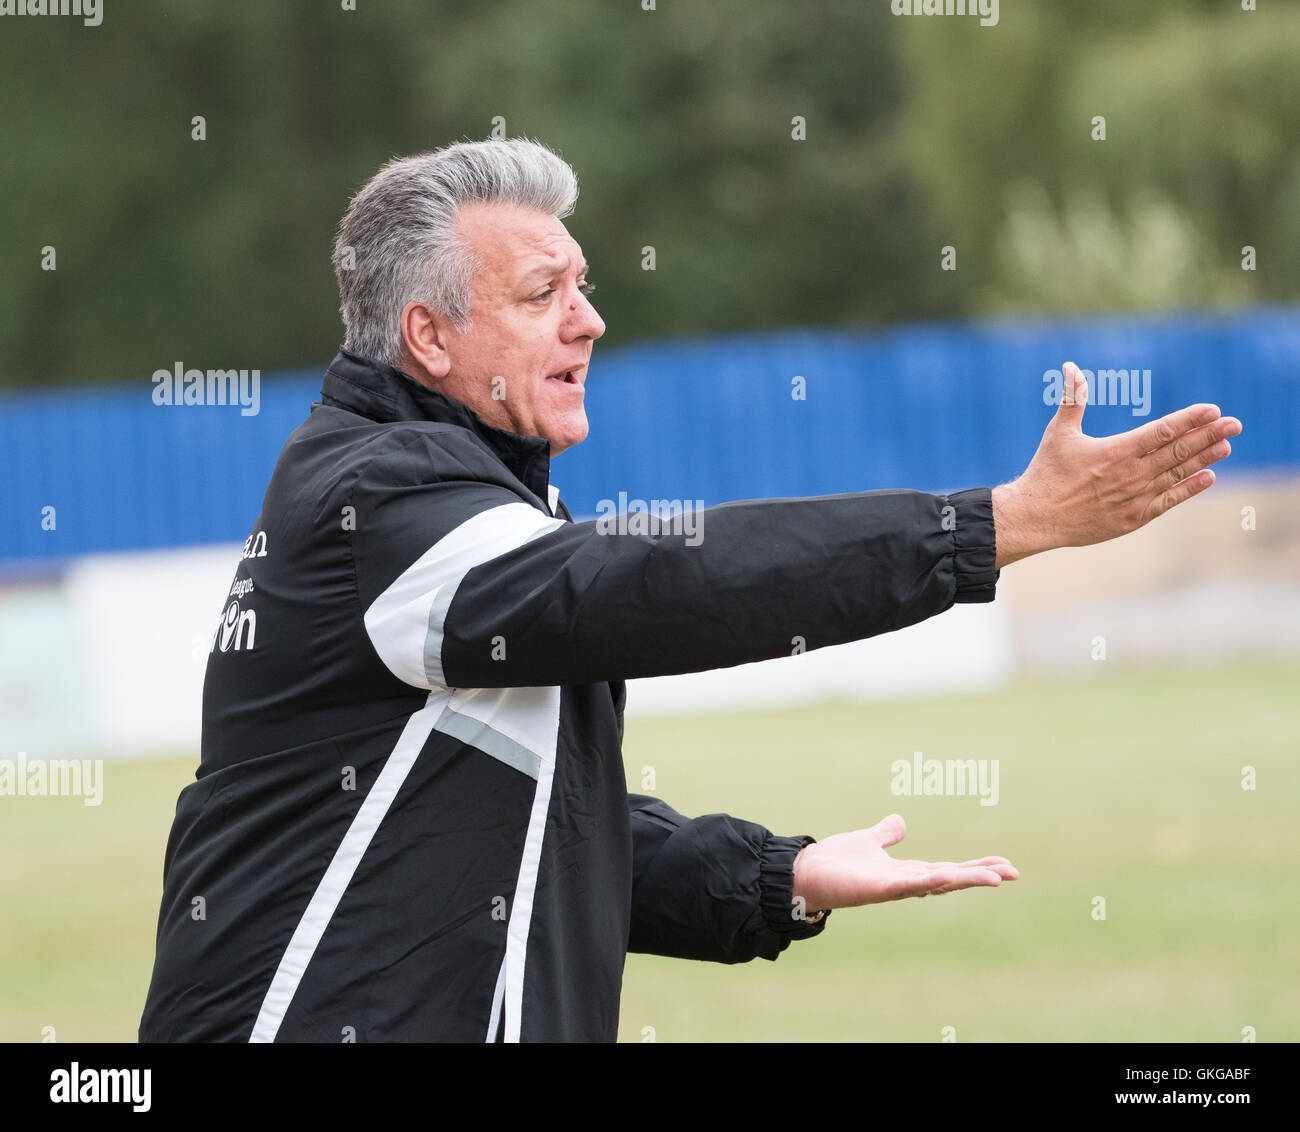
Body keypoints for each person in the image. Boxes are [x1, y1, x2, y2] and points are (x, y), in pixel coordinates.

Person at [139, 138, 1240, 1043]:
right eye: (542, 293)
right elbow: (653, 583)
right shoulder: (378, 490)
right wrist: (989, 528)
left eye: (584, 285)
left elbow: (533, 830)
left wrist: (779, 874)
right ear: (429, 337)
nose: (589, 319)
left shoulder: (435, 493)